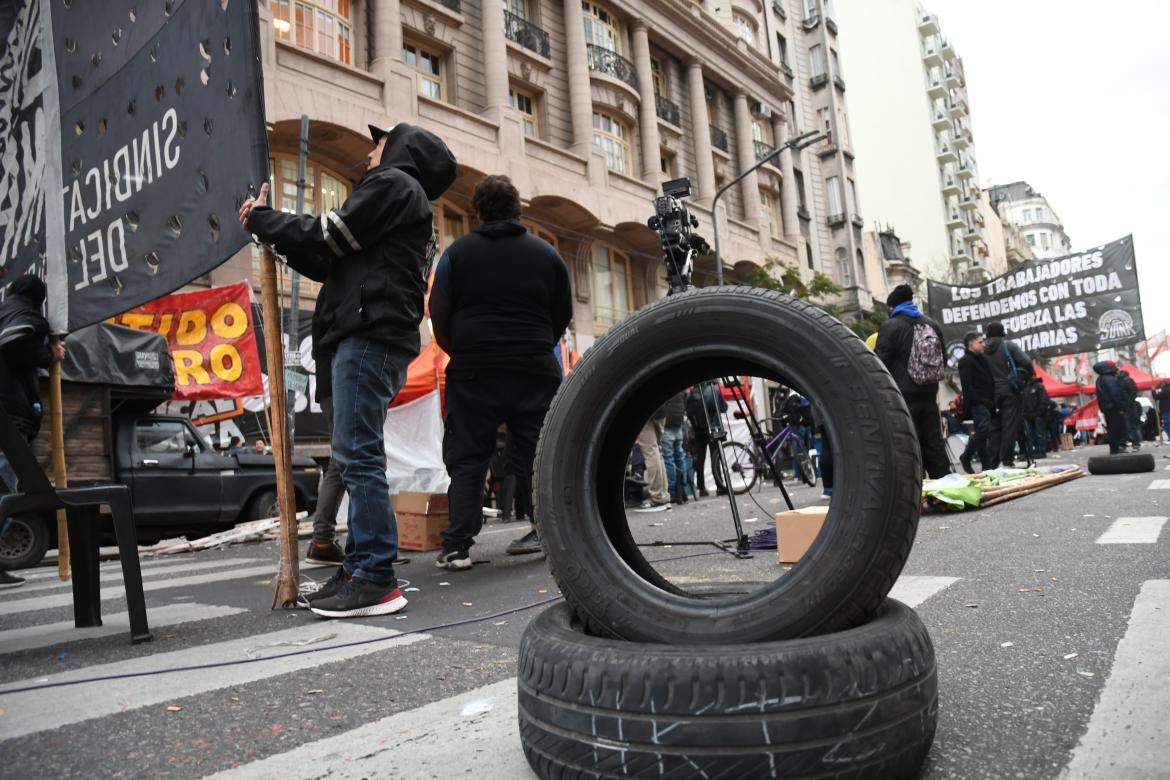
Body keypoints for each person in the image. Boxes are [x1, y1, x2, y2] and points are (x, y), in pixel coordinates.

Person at [240, 122, 456, 616]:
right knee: (355, 454)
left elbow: (328, 233)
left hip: (369, 334)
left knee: (357, 457)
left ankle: (375, 575)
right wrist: (270, 232)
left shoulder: (394, 185)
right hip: (368, 334)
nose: (367, 152)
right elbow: (327, 259)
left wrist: (265, 219)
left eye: (378, 143)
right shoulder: (404, 199)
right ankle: (360, 567)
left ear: (402, 149)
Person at [429, 174, 572, 568]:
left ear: (477, 212)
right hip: (534, 368)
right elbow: (563, 315)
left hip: (475, 369)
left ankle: (457, 544)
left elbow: (438, 312)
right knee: (537, 453)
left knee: (468, 456)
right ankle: (544, 529)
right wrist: (538, 343)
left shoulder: (457, 254)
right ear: (518, 209)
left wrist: (461, 349)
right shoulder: (547, 255)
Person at [0, 275, 66, 589]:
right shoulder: (22, 311)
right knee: (3, 492)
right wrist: (49, 354)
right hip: (8, 419)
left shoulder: (5, 308)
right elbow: (15, 340)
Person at [873, 284, 950, 479]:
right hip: (929, 392)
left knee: (909, 441)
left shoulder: (890, 326)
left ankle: (916, 486)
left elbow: (880, 364)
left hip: (903, 396)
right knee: (933, 439)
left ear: (891, 307)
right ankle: (943, 482)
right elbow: (944, 359)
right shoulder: (932, 324)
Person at [983, 321, 1033, 468]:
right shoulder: (1008, 345)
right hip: (1010, 390)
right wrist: (1025, 376)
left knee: (995, 427)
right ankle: (1007, 459)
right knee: (1010, 425)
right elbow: (1026, 362)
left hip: (991, 393)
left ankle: (993, 461)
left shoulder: (983, 349)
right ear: (1002, 332)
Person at [956, 331, 994, 473]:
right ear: (971, 344)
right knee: (983, 430)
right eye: (980, 342)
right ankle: (966, 456)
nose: (983, 344)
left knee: (982, 433)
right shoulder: (966, 361)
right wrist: (980, 401)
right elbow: (967, 386)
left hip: (987, 402)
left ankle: (987, 465)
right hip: (978, 403)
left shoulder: (982, 359)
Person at [686, 382, 727, 496]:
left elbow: (689, 413)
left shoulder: (692, 393)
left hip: (698, 430)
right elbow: (724, 407)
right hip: (713, 428)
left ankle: (701, 488)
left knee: (700, 459)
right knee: (715, 458)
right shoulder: (714, 390)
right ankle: (720, 487)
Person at [633, 406, 671, 511]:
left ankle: (657, 497)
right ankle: (663, 495)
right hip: (661, 411)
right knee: (657, 451)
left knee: (651, 452)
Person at [659, 392, 688, 504]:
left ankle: (672, 492)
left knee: (668, 459)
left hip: (667, 426)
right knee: (680, 457)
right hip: (678, 425)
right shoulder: (682, 391)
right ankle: (683, 490)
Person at [1094, 361, 1129, 454]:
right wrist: (1121, 407)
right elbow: (1115, 394)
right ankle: (1117, 448)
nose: (1116, 368)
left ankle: (1114, 448)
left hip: (1108, 408)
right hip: (1114, 408)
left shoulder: (1100, 379)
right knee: (1118, 428)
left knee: (1112, 428)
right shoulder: (1110, 379)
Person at [1117, 370, 1141, 452]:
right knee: (1128, 426)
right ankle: (1130, 444)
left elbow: (1133, 394)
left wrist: (1127, 404)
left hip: (1127, 407)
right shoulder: (1122, 381)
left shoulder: (1126, 381)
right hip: (1125, 407)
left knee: (1129, 426)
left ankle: (1134, 443)